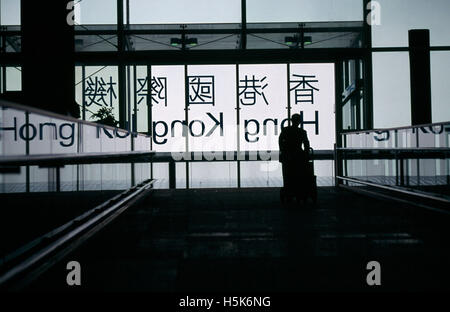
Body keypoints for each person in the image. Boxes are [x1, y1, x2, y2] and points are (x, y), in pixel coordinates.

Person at [279, 113, 310, 203]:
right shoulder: (302, 132)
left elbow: (280, 141)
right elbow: (306, 144)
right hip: (299, 155)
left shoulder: (285, 130)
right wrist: (306, 153)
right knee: (299, 174)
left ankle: (289, 191)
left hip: (288, 155)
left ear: (292, 121)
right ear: (299, 122)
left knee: (288, 175)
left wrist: (283, 150)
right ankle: (299, 191)